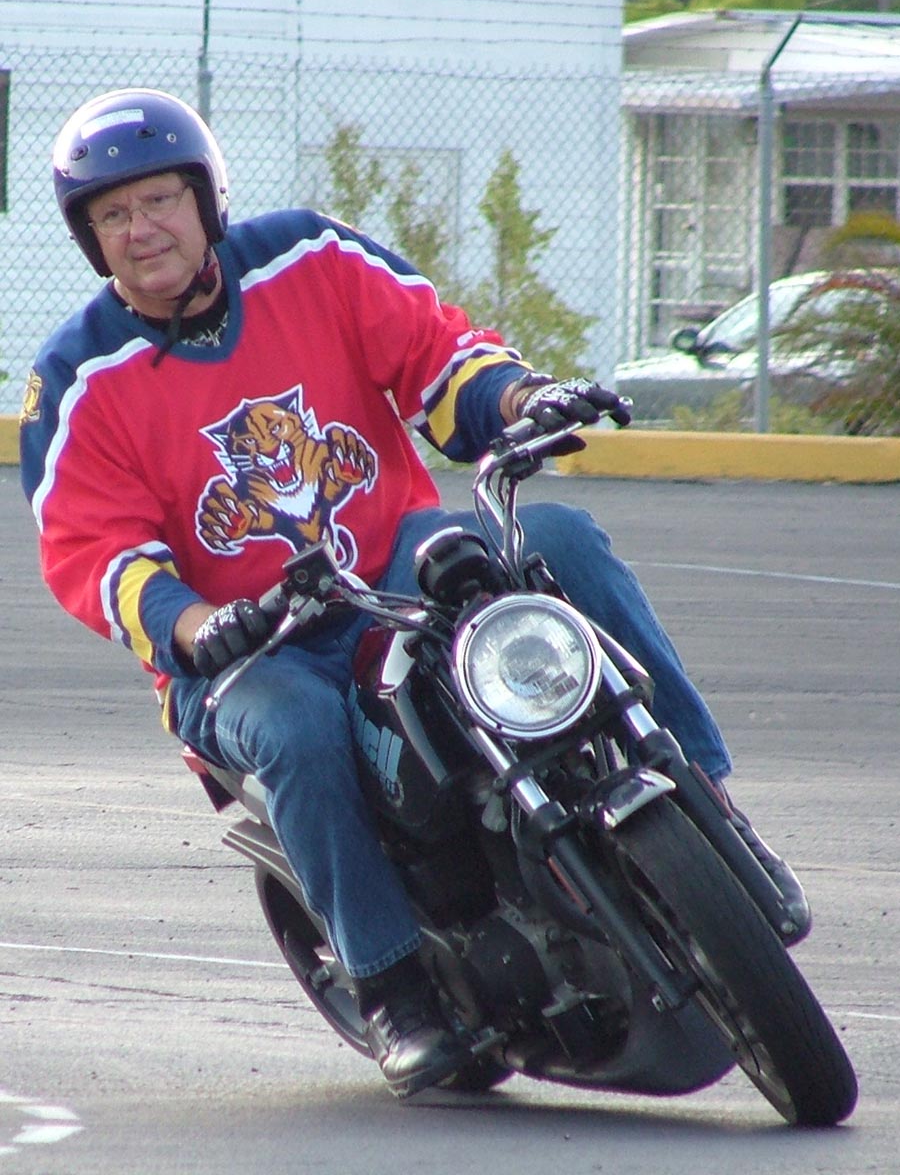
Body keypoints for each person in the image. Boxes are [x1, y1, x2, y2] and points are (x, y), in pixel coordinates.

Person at [20, 88, 810, 1099]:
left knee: (559, 538)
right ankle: (393, 984)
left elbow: (438, 358)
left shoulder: (310, 257)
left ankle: (709, 800)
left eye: (161, 200)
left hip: (389, 565)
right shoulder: (77, 376)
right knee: (298, 727)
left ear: (206, 198)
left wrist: (523, 396)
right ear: (89, 238)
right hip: (250, 647)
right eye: (113, 215)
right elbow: (94, 551)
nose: (142, 230)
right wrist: (197, 623)